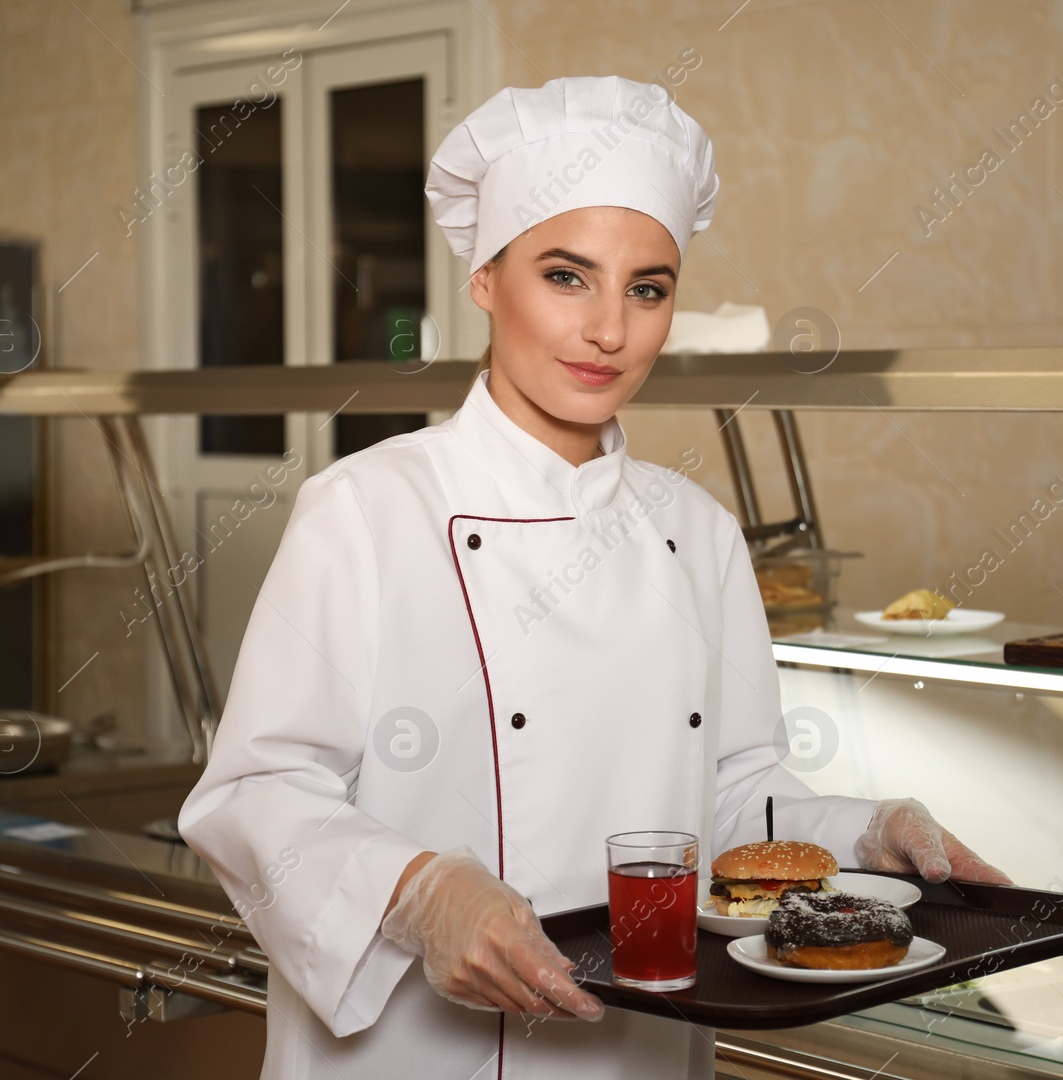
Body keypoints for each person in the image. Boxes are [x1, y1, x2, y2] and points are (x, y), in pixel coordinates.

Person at [178, 74, 1008, 1080]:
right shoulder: (366, 510)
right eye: (566, 277)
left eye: (646, 288)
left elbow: (734, 792)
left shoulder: (697, 534)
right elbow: (254, 794)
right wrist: (418, 893)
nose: (609, 330)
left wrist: (868, 834)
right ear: (485, 277)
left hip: (638, 1056)